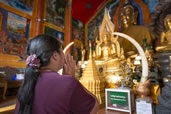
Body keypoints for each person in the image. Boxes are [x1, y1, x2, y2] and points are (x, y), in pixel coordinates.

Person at [14, 34, 99, 114]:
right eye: (62, 51)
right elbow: (94, 105)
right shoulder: (67, 82)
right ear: (55, 55)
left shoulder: (27, 82)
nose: (64, 55)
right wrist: (72, 78)